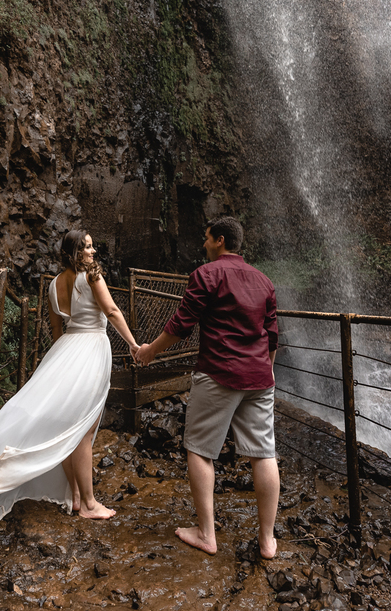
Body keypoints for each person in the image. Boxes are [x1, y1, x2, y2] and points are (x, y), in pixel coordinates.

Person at [0, 230, 138, 528]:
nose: (93, 252)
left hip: (65, 351)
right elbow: (112, 310)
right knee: (84, 429)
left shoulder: (53, 286)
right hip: (91, 350)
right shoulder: (92, 277)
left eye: (93, 247)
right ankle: (89, 505)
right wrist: (133, 344)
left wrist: (58, 365)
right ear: (74, 252)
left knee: (66, 424)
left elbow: (57, 333)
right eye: (87, 247)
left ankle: (77, 495)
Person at [132, 216, 280, 559]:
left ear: (221, 240)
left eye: (207, 238)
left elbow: (182, 323)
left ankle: (206, 534)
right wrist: (266, 372)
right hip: (260, 377)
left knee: (199, 449)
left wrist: (150, 352)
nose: (203, 244)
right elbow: (272, 336)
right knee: (264, 453)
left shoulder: (207, 274)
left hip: (219, 372)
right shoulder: (265, 281)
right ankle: (268, 540)